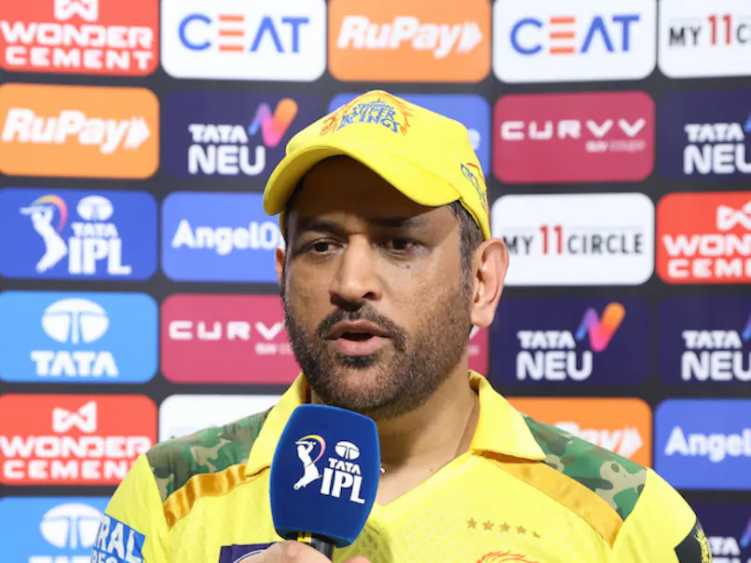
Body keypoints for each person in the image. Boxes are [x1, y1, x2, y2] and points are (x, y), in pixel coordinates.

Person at [93, 91, 711, 563]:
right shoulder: (168, 497)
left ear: (482, 282)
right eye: (322, 245)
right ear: (282, 273)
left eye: (398, 243)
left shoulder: (624, 518)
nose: (351, 281)